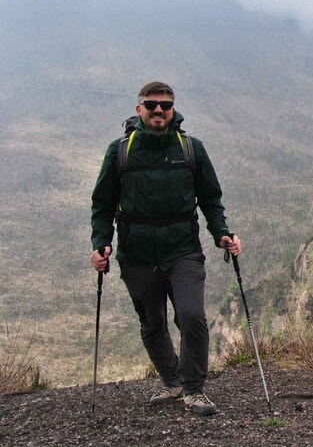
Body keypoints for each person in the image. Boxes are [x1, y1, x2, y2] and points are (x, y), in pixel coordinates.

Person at [89, 81, 241, 416]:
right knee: (152, 322)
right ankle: (171, 381)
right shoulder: (120, 151)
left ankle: (194, 389)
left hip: (182, 250)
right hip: (137, 254)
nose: (159, 110)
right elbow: (102, 204)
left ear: (173, 109)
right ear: (138, 108)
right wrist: (101, 243)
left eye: (166, 105)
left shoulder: (191, 149)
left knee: (191, 315)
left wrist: (222, 234)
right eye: (152, 104)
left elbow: (211, 199)